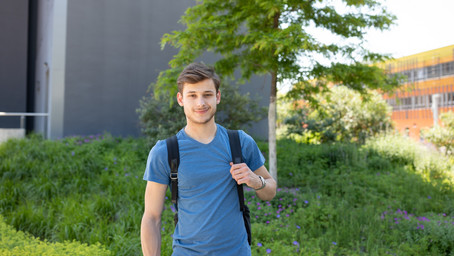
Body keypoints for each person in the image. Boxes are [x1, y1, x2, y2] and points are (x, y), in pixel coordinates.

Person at [141, 63, 277, 256]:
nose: (200, 103)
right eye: (192, 95)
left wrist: (255, 181)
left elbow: (270, 191)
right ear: (180, 99)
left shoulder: (240, 142)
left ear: (217, 97)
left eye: (207, 94)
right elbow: (151, 218)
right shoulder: (165, 151)